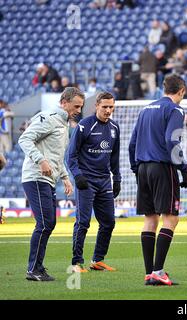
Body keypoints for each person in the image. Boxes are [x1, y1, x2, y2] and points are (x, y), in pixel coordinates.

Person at [129, 74, 187, 286]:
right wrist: (183, 169)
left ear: (165, 88)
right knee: (171, 218)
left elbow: (132, 143)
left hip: (143, 168)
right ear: (181, 91)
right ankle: (158, 271)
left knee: (150, 219)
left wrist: (136, 168)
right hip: (163, 168)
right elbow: (170, 139)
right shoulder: (175, 109)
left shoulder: (146, 109)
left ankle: (149, 273)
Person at [19, 87, 84, 281]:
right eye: (76, 106)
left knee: (49, 223)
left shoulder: (64, 124)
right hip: (35, 176)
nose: (79, 110)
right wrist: (41, 160)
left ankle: (37, 267)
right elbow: (25, 138)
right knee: (46, 222)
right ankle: (33, 269)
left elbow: (56, 157)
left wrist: (65, 177)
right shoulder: (48, 117)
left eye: (81, 106)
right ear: (64, 102)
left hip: (48, 178)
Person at [67, 92, 121, 273]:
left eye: (111, 107)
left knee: (109, 222)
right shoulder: (84, 126)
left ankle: (97, 260)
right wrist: (78, 176)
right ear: (96, 106)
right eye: (104, 107)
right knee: (83, 222)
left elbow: (114, 157)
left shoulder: (114, 127)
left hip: (105, 181)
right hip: (86, 180)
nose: (108, 110)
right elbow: (71, 155)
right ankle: (76, 263)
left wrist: (117, 178)